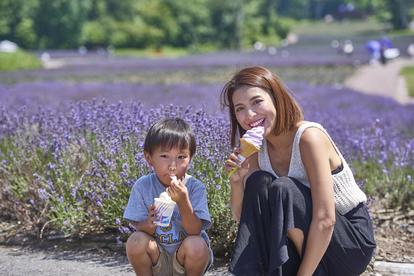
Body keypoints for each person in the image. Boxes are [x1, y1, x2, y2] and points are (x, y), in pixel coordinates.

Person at [222, 66, 376, 276]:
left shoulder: (309, 138)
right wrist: (238, 181)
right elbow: (250, 222)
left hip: (346, 242)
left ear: (276, 98)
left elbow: (326, 220)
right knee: (259, 181)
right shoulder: (257, 150)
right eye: (239, 108)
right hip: (297, 244)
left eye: (257, 102)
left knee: (284, 187)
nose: (249, 115)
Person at [124, 118, 213, 276]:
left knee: (197, 245)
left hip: (186, 259)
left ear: (190, 158)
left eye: (181, 157)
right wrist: (149, 223)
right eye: (164, 156)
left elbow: (195, 231)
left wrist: (183, 201)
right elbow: (139, 227)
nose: (173, 165)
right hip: (157, 258)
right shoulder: (143, 186)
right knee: (135, 240)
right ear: (149, 158)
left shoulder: (195, 187)